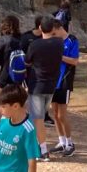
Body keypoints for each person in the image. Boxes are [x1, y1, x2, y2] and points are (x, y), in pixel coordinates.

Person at [24, 17, 65, 161]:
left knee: (38, 119)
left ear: (40, 28)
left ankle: (43, 151)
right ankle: (38, 146)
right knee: (40, 117)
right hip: (51, 86)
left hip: (37, 85)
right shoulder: (59, 43)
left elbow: (27, 61)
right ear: (53, 29)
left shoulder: (35, 45)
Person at [50, 19, 80, 156]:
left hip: (64, 81)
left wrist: (60, 57)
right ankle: (61, 141)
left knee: (62, 115)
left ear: (59, 28)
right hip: (53, 81)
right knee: (55, 114)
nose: (53, 35)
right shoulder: (54, 41)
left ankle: (70, 143)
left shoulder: (72, 40)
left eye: (54, 33)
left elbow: (75, 61)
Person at [0, 16, 22, 90]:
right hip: (18, 75)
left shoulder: (2, 40)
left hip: (4, 76)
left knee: (3, 97)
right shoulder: (22, 39)